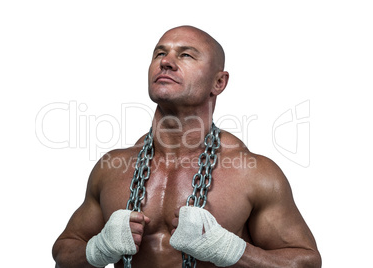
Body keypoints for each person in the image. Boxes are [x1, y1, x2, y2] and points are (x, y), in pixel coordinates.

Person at [52, 25, 322, 268]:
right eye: (160, 53)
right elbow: (63, 253)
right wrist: (97, 249)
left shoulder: (252, 173)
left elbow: (306, 263)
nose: (166, 63)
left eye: (186, 55)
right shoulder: (112, 167)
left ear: (219, 83)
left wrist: (231, 250)